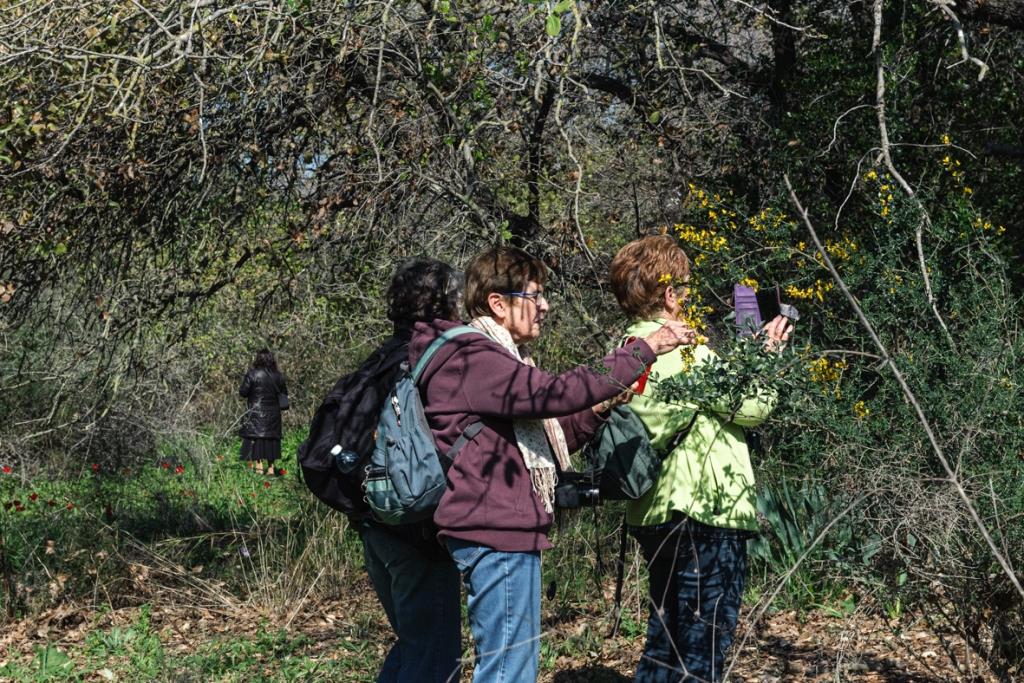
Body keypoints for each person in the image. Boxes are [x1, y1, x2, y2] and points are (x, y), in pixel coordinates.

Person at [410, 246, 696, 683]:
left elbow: (552, 427)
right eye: (535, 296)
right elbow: (554, 393)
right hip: (495, 532)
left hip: (503, 530)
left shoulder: (495, 358)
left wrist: (598, 409)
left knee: (510, 664)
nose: (545, 306)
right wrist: (647, 348)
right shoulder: (473, 357)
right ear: (498, 303)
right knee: (510, 669)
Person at [608, 235, 792, 683]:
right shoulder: (683, 352)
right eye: (684, 289)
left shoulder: (624, 353)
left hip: (654, 513)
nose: (687, 298)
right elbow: (752, 407)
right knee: (701, 648)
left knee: (664, 640)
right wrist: (765, 356)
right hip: (704, 514)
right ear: (670, 295)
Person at [357, 257, 466, 683]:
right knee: (433, 660)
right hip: (418, 533)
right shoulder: (431, 363)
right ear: (446, 304)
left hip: (375, 526)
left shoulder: (379, 359)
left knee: (414, 646)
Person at [239, 349, 289, 475]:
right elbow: (284, 393)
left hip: (256, 412)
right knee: (272, 440)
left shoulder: (252, 374)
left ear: (258, 359)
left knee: (257, 438)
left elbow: (243, 392)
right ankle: (271, 468)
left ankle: (259, 467)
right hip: (273, 413)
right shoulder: (278, 375)